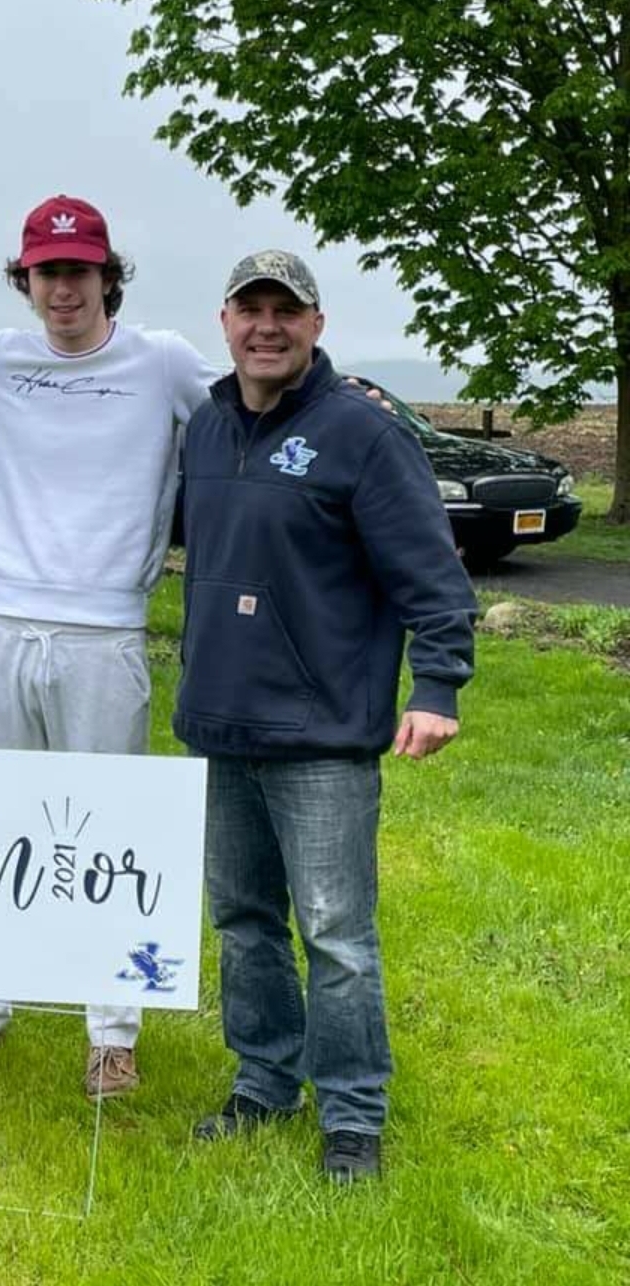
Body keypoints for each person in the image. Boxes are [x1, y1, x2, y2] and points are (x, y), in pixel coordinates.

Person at [175, 250, 476, 1181]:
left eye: (286, 312)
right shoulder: (207, 427)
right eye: (249, 309)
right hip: (222, 728)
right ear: (224, 321)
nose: (267, 327)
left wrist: (437, 687)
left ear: (317, 324)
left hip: (323, 739)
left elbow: (432, 576)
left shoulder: (365, 434)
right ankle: (265, 1082)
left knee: (338, 933)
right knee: (242, 919)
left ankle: (352, 1116)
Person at [0, 195, 221, 1099]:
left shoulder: (162, 362)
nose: (62, 290)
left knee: (105, 829)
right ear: (27, 280)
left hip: (106, 633)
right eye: (46, 273)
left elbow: (250, 400)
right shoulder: (0, 361)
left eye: (78, 271)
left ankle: (111, 1033)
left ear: (105, 275)